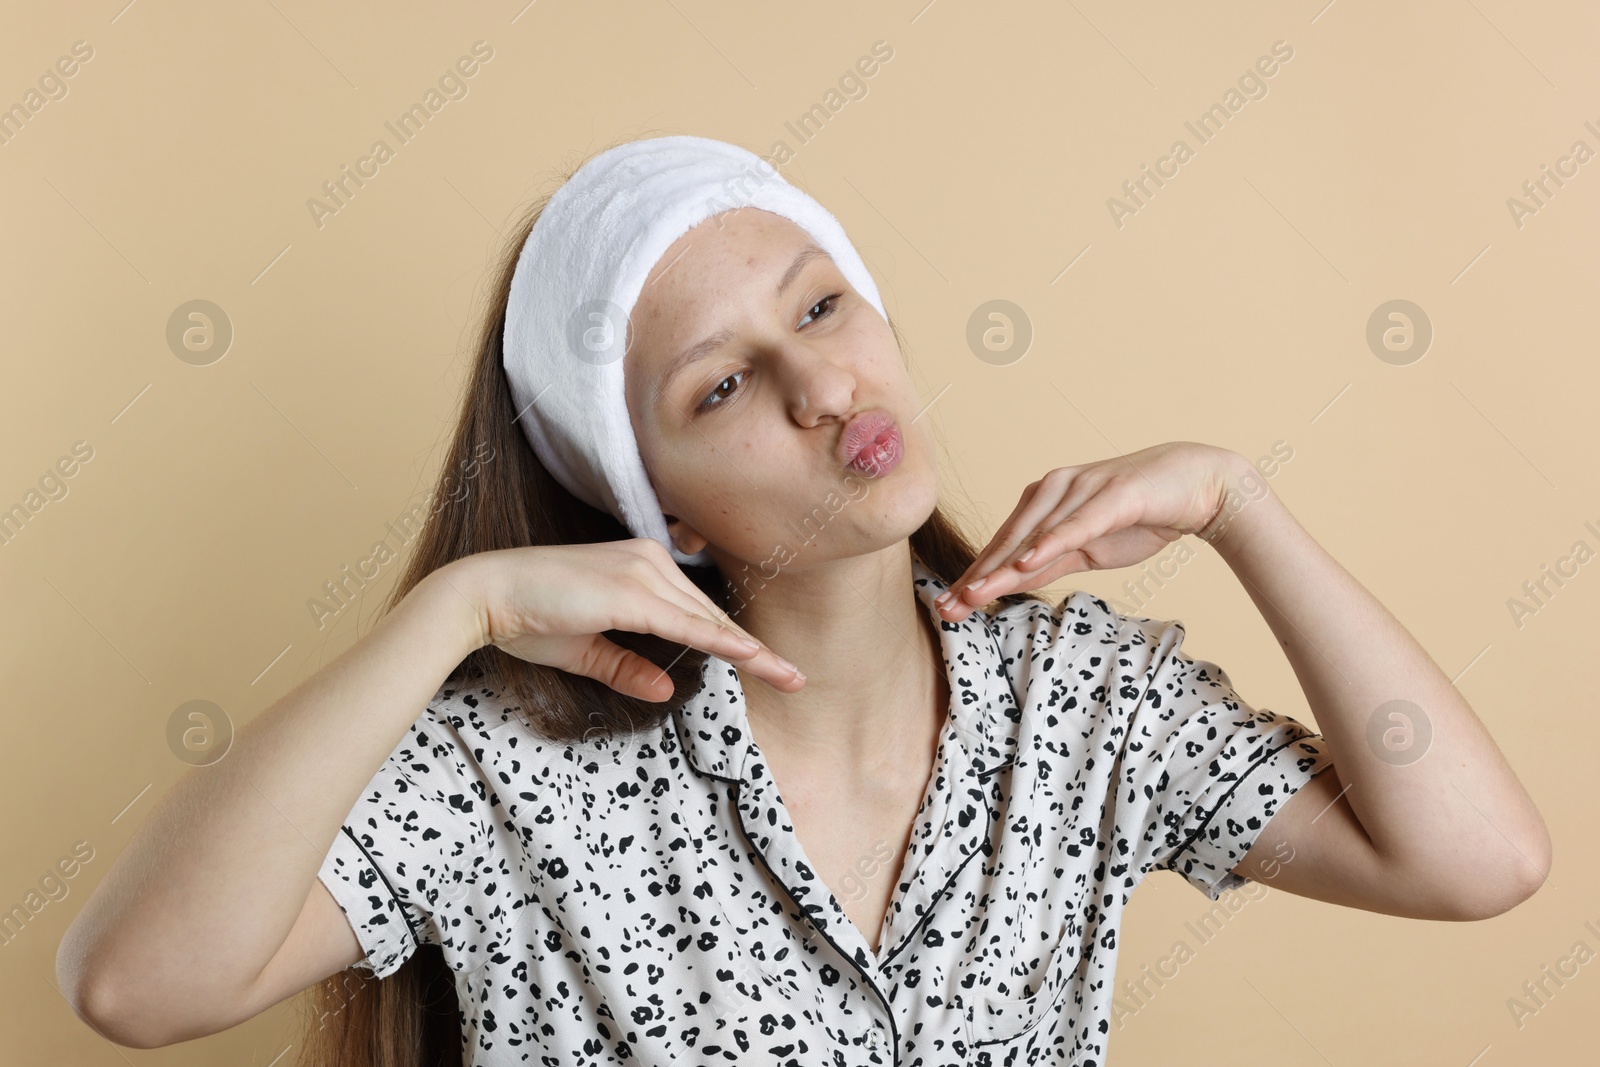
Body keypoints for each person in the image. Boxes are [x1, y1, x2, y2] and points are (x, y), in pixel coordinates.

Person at [56, 133, 1551, 1067]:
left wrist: (1242, 506)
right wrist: (451, 613)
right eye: (723, 386)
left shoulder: (1085, 704)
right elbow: (133, 986)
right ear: (651, 509)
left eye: (822, 303)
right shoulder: (517, 768)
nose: (825, 389)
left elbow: (1478, 860)